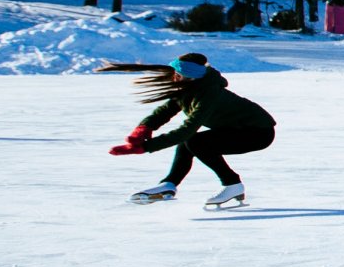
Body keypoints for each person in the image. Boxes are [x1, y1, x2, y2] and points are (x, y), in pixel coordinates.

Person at [106, 52, 275, 209]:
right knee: (190, 143)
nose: (174, 76)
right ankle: (169, 185)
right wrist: (143, 128)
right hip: (236, 129)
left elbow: (187, 129)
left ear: (190, 77)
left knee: (195, 142)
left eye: (178, 74)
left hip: (258, 133)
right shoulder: (189, 88)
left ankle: (232, 185)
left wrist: (146, 147)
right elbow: (166, 110)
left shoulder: (208, 94)